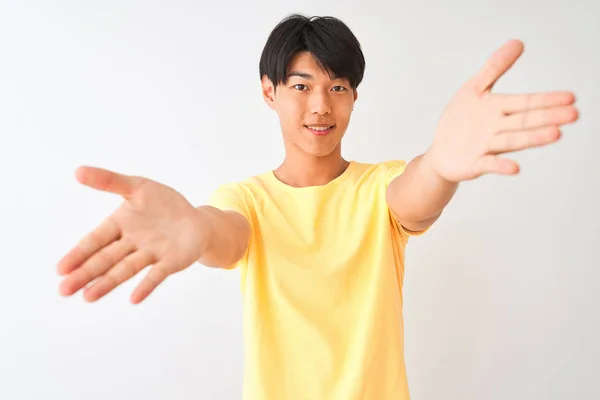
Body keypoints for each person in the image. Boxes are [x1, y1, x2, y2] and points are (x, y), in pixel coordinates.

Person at [56, 13, 579, 400]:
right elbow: (224, 234)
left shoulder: (380, 187)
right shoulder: (248, 201)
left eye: (338, 87)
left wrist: (440, 163)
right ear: (270, 92)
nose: (321, 106)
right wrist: (194, 228)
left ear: (354, 98)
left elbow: (415, 200)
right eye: (301, 86)